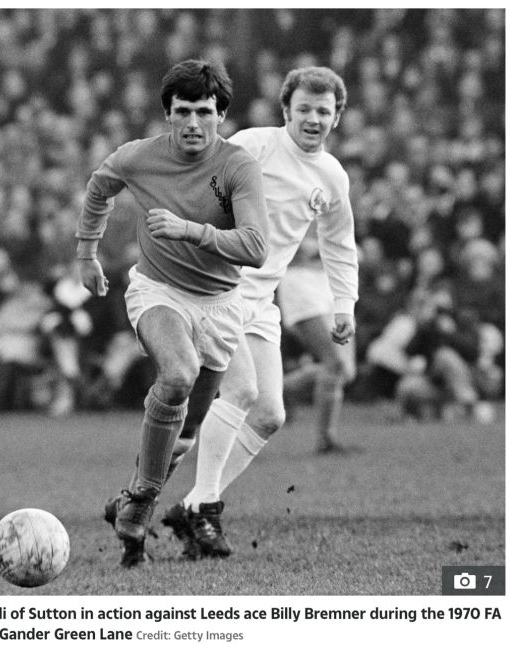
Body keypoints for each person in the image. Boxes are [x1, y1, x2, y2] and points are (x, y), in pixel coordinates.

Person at [75, 59, 269, 566]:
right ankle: (140, 503)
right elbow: (99, 187)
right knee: (177, 374)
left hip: (222, 307)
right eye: (182, 111)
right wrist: (86, 253)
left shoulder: (237, 166)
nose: (192, 123)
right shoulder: (138, 158)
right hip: (158, 292)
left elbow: (254, 247)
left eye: (204, 112)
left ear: (221, 114)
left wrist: (189, 230)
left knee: (185, 432)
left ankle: (129, 499)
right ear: (167, 114)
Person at [161, 66, 358, 559]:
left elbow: (338, 244)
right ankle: (201, 507)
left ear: (337, 117)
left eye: (323, 111)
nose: (313, 119)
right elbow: (200, 186)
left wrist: (344, 304)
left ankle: (186, 501)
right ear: (286, 110)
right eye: (305, 110)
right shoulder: (255, 146)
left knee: (270, 414)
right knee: (243, 391)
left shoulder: (332, 176)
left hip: (261, 300)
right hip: (218, 289)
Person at [278, 234, 357, 453]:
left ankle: (277, 389)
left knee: (346, 372)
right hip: (300, 279)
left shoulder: (337, 200)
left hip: (331, 280)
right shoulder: (279, 199)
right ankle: (326, 440)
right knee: (334, 363)